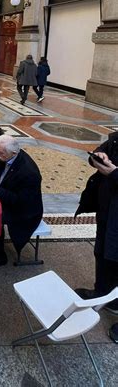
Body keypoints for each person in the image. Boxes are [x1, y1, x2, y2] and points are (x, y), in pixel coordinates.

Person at [0, 135, 43, 269]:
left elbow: (21, 201)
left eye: (0, 153)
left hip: (23, 211)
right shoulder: (6, 155)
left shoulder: (29, 172)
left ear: (14, 153)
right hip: (4, 196)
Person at [74, 132, 118, 342]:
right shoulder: (117, 138)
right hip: (109, 210)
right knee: (102, 253)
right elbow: (99, 154)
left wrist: (115, 173)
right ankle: (103, 293)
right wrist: (97, 158)